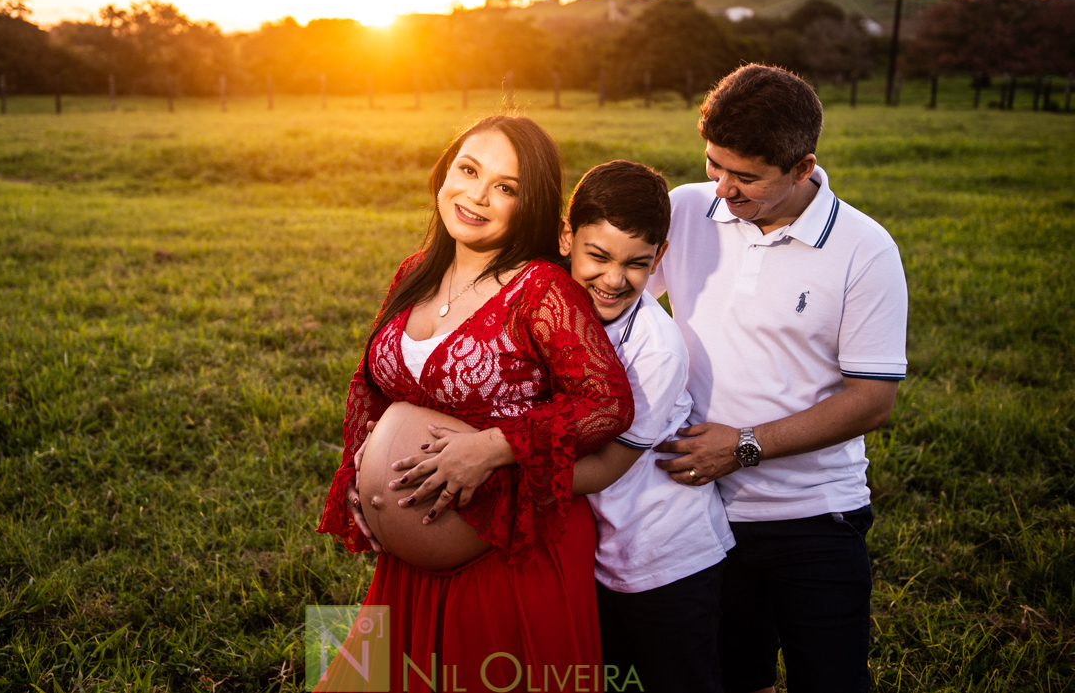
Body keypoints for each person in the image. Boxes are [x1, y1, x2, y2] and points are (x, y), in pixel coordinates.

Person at [316, 114, 634, 692]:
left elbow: (606, 403)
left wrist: (494, 447)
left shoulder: (541, 289)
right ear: (444, 174)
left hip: (507, 557)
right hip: (407, 568)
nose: (478, 196)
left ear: (530, 204)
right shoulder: (416, 271)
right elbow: (374, 386)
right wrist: (361, 466)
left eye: (505, 187)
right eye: (468, 170)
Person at [646, 64, 908, 693]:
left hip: (816, 514)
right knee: (734, 677)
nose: (723, 188)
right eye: (714, 164)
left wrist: (742, 446)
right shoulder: (686, 209)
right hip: (698, 510)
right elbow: (609, 299)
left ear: (801, 167)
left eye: (746, 177)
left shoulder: (865, 249)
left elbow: (872, 400)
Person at [558, 160, 735, 693]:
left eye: (637, 264)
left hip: (668, 558)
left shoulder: (656, 350)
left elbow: (606, 467)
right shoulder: (552, 301)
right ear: (566, 239)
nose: (614, 280)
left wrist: (497, 474)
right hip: (602, 551)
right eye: (598, 256)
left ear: (659, 258)